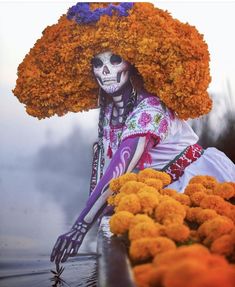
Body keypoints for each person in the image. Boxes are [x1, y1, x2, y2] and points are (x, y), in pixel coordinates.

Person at [13, 2, 235, 265]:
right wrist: (98, 212)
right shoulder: (109, 109)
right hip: (155, 190)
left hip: (195, 183)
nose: (105, 71)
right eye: (98, 63)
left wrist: (80, 226)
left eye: (115, 59)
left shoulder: (150, 109)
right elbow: (106, 167)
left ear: (132, 64)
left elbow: (122, 164)